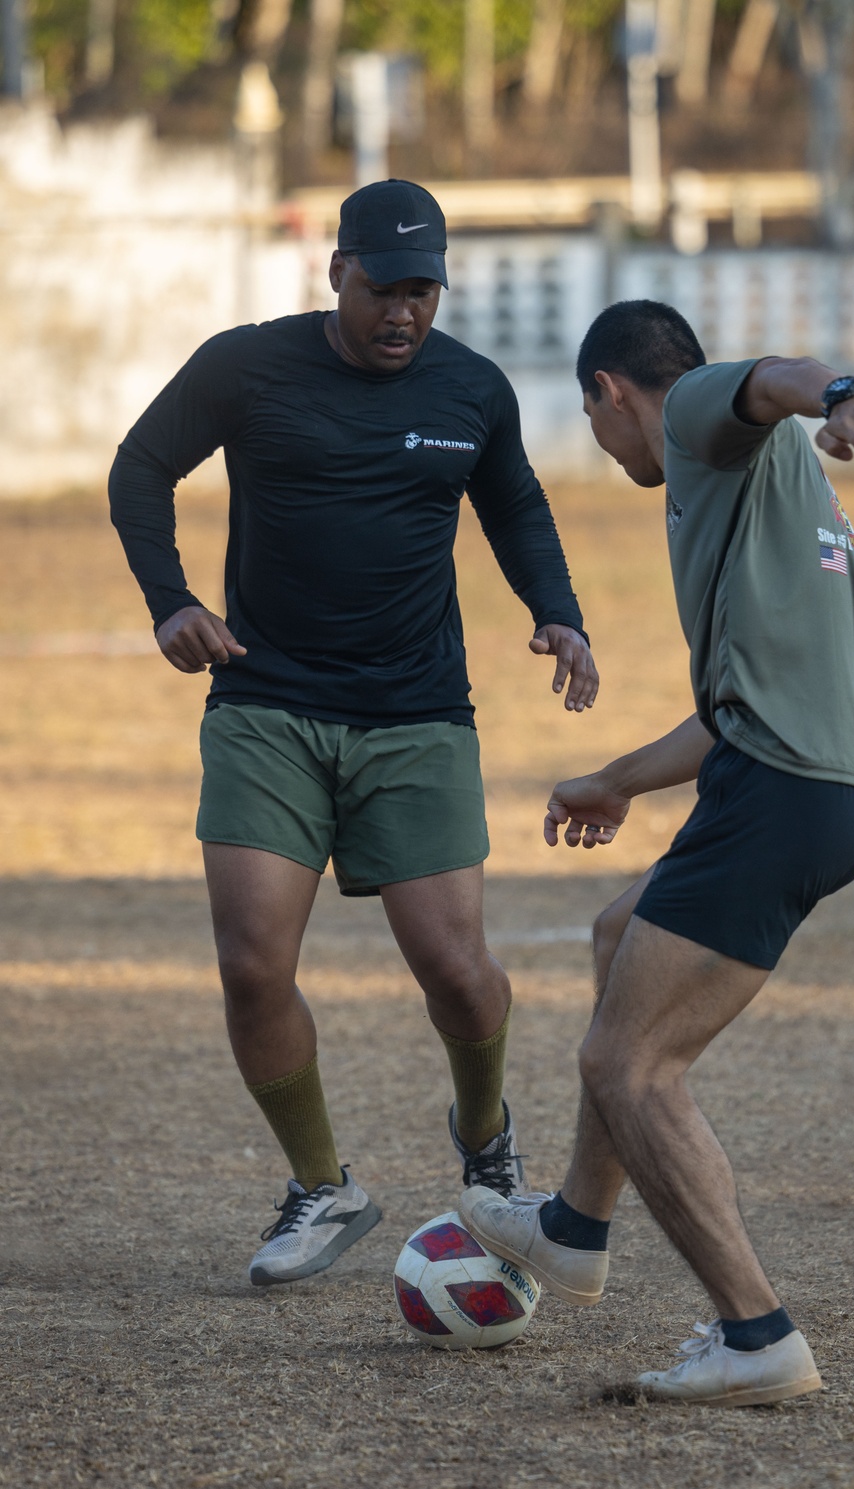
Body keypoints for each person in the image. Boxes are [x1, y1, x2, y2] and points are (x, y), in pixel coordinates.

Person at [109, 179, 598, 1287]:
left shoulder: (471, 386)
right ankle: (321, 1185)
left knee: (461, 975)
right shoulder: (246, 365)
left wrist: (556, 611)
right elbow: (141, 466)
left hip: (416, 715)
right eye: (385, 289)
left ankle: (486, 1144)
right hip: (264, 702)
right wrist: (170, 599)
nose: (403, 315)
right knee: (250, 963)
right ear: (339, 272)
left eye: (423, 293)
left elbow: (513, 503)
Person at [460, 299, 854, 1407]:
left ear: (613, 392)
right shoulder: (766, 491)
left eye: (590, 415)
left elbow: (772, 376)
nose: (603, 442)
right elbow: (734, 706)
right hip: (820, 787)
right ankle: (572, 1224)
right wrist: (616, 778)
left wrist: (842, 394)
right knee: (618, 929)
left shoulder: (703, 413)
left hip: (782, 793)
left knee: (629, 1065)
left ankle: (756, 1334)